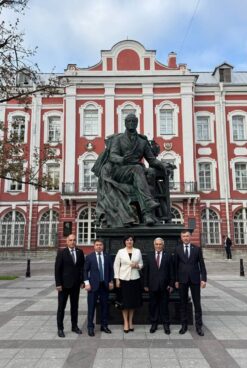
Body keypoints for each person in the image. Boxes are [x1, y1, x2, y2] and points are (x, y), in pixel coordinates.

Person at [92, 113, 175, 227]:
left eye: (134, 121)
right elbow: (113, 156)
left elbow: (152, 160)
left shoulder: (142, 141)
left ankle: (147, 215)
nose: (131, 123)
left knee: (144, 170)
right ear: (125, 123)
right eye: (129, 121)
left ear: (137, 123)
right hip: (120, 171)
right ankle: (148, 205)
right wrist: (122, 159)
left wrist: (163, 165)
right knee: (137, 169)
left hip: (136, 171)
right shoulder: (118, 139)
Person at [175, 230, 207, 336]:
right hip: (182, 280)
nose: (185, 238)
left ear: (190, 237)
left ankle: (199, 327)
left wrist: (204, 279)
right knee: (183, 303)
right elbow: (175, 266)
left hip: (195, 280)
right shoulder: (178, 249)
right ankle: (184, 326)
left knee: (197, 303)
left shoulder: (197, 249)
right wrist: (176, 280)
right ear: (181, 237)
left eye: (187, 236)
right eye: (183, 236)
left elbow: (202, 265)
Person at [55, 234, 85, 338]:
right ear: (67, 242)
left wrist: (82, 281)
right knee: (61, 307)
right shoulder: (62, 252)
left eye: (74, 240)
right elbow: (57, 269)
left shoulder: (80, 252)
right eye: (70, 240)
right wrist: (58, 284)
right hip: (63, 285)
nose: (72, 242)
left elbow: (82, 268)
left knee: (74, 307)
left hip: (76, 285)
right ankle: (60, 328)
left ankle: (74, 326)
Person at [84, 239, 114, 337]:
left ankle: (104, 325)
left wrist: (110, 281)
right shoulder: (89, 257)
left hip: (104, 286)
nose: (99, 246)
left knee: (104, 306)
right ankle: (90, 327)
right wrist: (87, 283)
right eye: (97, 245)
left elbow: (111, 270)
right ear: (94, 246)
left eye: (100, 245)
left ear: (103, 246)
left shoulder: (107, 257)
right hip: (93, 286)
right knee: (91, 307)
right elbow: (84, 271)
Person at [144, 237, 174, 334]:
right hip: (152, 286)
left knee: (164, 306)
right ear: (154, 245)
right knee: (153, 305)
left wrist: (171, 284)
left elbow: (171, 271)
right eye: (156, 244)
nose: (158, 246)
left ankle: (166, 324)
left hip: (165, 286)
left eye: (160, 244)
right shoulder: (149, 256)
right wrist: (145, 284)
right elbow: (146, 272)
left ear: (163, 245)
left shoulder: (168, 256)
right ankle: (154, 323)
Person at [114, 235, 143, 332]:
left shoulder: (137, 251)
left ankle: (131, 321)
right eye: (127, 240)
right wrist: (117, 279)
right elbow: (116, 266)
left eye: (131, 240)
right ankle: (125, 322)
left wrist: (137, 265)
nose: (129, 241)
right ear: (124, 242)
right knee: (124, 303)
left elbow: (141, 264)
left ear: (133, 241)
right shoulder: (120, 252)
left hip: (135, 279)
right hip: (123, 279)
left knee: (132, 303)